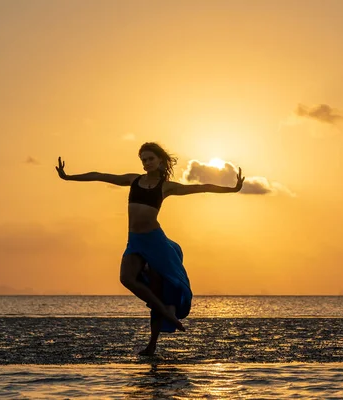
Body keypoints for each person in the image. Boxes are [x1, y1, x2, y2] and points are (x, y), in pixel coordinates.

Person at [56, 142, 245, 355]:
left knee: (159, 288)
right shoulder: (133, 180)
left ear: (160, 161)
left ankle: (152, 345)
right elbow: (102, 175)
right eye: (143, 160)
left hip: (156, 242)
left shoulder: (166, 187)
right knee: (126, 278)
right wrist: (69, 177)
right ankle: (165, 311)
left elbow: (201, 188)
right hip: (134, 240)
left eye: (150, 159)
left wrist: (233, 189)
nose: (146, 163)